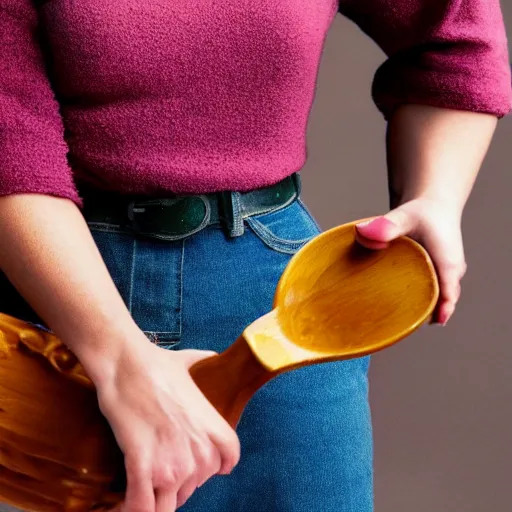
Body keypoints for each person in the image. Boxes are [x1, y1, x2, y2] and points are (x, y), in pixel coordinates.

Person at [0, 1, 510, 511]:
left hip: (278, 309)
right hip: (47, 299)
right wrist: (119, 362)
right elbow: (11, 145)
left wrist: (435, 199)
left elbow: (453, 28)